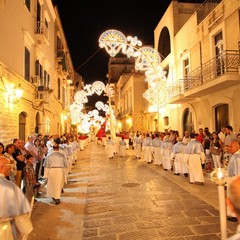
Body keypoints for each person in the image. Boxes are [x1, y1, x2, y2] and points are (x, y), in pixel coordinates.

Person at [0, 156, 33, 240]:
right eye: (9, 166)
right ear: (2, 167)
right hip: (3, 230)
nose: (11, 169)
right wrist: (26, 229)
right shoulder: (9, 187)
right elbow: (19, 214)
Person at [43, 137, 68, 205]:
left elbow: (46, 166)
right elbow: (65, 164)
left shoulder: (48, 156)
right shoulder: (62, 155)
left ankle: (54, 196)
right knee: (58, 184)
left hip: (51, 171)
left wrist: (46, 175)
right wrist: (65, 174)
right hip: (59, 170)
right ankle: (57, 197)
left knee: (52, 184)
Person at [226, 140, 240, 222]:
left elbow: (237, 170)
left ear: (237, 147)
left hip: (234, 178)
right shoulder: (235, 155)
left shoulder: (237, 157)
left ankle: (234, 215)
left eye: (231, 146)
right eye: (229, 146)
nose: (229, 148)